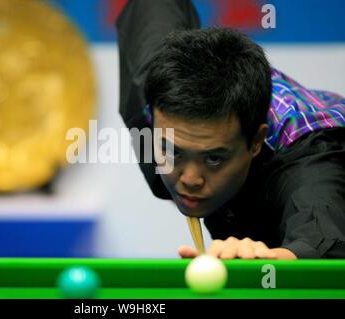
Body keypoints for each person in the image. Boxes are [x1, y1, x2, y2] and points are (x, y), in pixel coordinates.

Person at [116, 0, 345, 259]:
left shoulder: (307, 155)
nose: (190, 179)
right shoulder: (153, 95)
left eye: (214, 158)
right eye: (172, 150)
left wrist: (279, 261)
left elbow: (325, 235)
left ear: (256, 141)